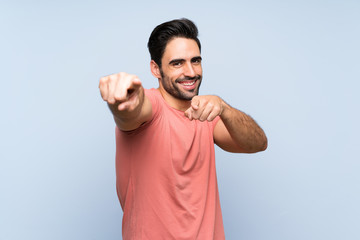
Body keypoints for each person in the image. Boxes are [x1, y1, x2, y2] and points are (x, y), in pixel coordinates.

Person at [99, 18, 267, 240]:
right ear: (156, 69)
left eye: (195, 61)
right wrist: (123, 100)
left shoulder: (205, 113)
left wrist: (224, 108)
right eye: (177, 63)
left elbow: (257, 143)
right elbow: (133, 110)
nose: (190, 72)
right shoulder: (152, 106)